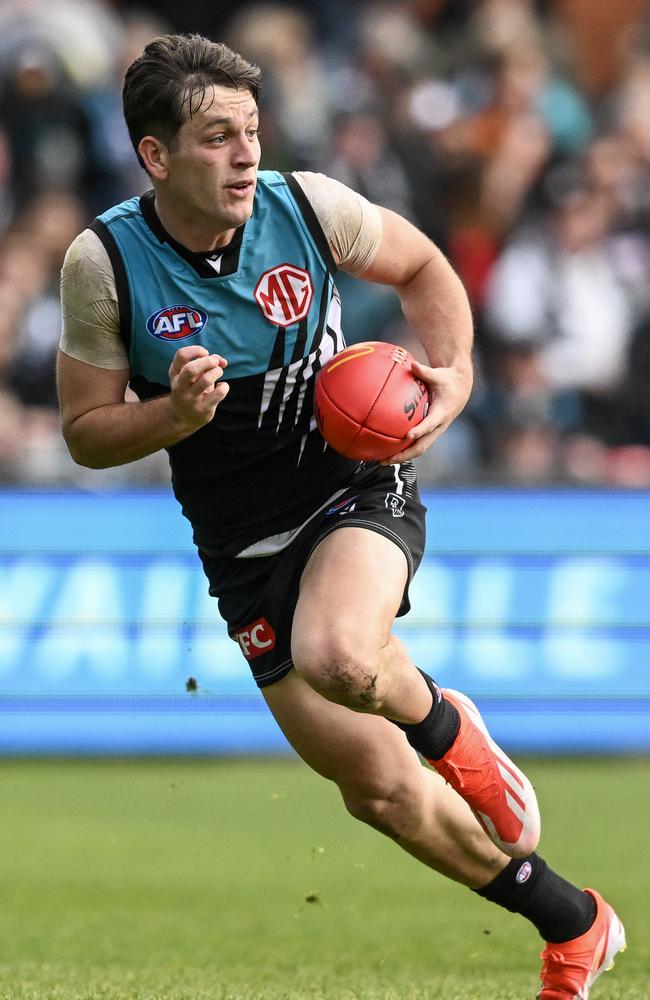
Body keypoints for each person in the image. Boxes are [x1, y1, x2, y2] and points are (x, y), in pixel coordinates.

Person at [57, 33, 625, 999]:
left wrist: (456, 375)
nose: (245, 155)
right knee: (378, 792)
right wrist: (171, 416)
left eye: (251, 130)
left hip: (353, 485)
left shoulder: (307, 207)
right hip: (239, 545)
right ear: (155, 157)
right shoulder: (103, 262)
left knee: (342, 655)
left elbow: (425, 268)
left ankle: (450, 728)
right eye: (214, 138)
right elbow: (84, 431)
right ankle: (574, 924)